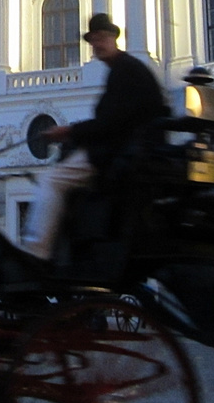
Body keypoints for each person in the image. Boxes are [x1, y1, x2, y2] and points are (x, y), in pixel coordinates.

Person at [20, 14, 169, 260]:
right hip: (128, 150)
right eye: (93, 41)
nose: (97, 45)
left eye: (101, 38)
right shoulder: (126, 69)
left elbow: (111, 123)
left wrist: (68, 132)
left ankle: (36, 251)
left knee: (52, 180)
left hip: (120, 152)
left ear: (113, 38)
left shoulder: (125, 70)